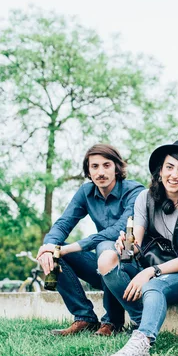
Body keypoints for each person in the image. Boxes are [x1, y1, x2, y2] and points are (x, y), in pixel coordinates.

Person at [98, 140, 178, 356]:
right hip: (151, 264)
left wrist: (151, 272)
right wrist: (125, 245)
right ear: (160, 171)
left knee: (153, 285)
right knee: (107, 259)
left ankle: (142, 342)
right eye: (169, 167)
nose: (174, 174)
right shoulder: (145, 198)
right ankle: (141, 317)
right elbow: (135, 244)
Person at [37, 144, 144, 336]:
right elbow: (63, 223)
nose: (100, 172)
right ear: (88, 170)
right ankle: (84, 317)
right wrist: (48, 247)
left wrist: (71, 247)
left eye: (106, 165)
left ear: (117, 168)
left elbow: (117, 230)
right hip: (102, 267)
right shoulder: (86, 192)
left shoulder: (135, 191)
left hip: (131, 267)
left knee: (105, 246)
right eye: (94, 166)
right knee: (56, 254)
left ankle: (111, 322)